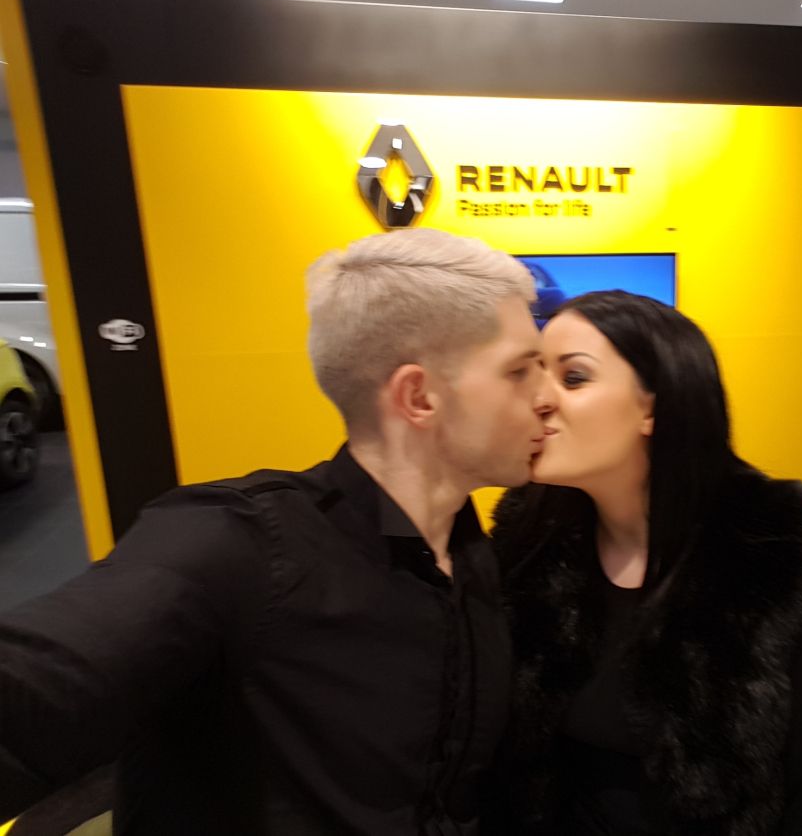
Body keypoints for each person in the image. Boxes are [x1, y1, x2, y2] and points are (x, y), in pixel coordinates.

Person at [0, 229, 552, 835]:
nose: (547, 398)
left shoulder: (473, 555)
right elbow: (34, 693)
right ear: (418, 396)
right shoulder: (235, 543)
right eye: (520, 371)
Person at [488, 291, 802, 835]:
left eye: (573, 378)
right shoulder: (529, 543)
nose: (538, 399)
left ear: (653, 407)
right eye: (532, 374)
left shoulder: (769, 555)